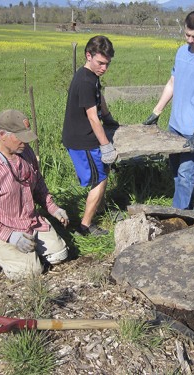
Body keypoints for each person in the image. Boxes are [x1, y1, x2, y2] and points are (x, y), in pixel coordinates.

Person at [0, 109, 69, 280]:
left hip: (29, 221)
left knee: (59, 254)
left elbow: (39, 186)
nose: (25, 142)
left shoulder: (25, 152)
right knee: (32, 271)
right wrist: (10, 236)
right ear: (2, 135)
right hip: (2, 227)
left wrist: (53, 208)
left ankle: (27, 251)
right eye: (20, 137)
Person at [142, 11, 194, 210]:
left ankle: (178, 215)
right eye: (187, 35)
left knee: (187, 173)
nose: (190, 40)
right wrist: (156, 112)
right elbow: (172, 83)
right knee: (175, 169)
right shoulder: (181, 52)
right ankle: (185, 206)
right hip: (175, 122)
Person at [62, 35, 119, 236]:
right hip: (81, 140)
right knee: (100, 179)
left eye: (107, 64)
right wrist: (106, 146)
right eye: (101, 63)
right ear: (88, 55)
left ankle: (100, 209)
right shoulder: (85, 80)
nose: (104, 68)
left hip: (85, 135)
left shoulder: (92, 76)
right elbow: (93, 118)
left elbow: (99, 97)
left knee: (103, 171)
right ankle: (85, 227)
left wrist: (109, 117)